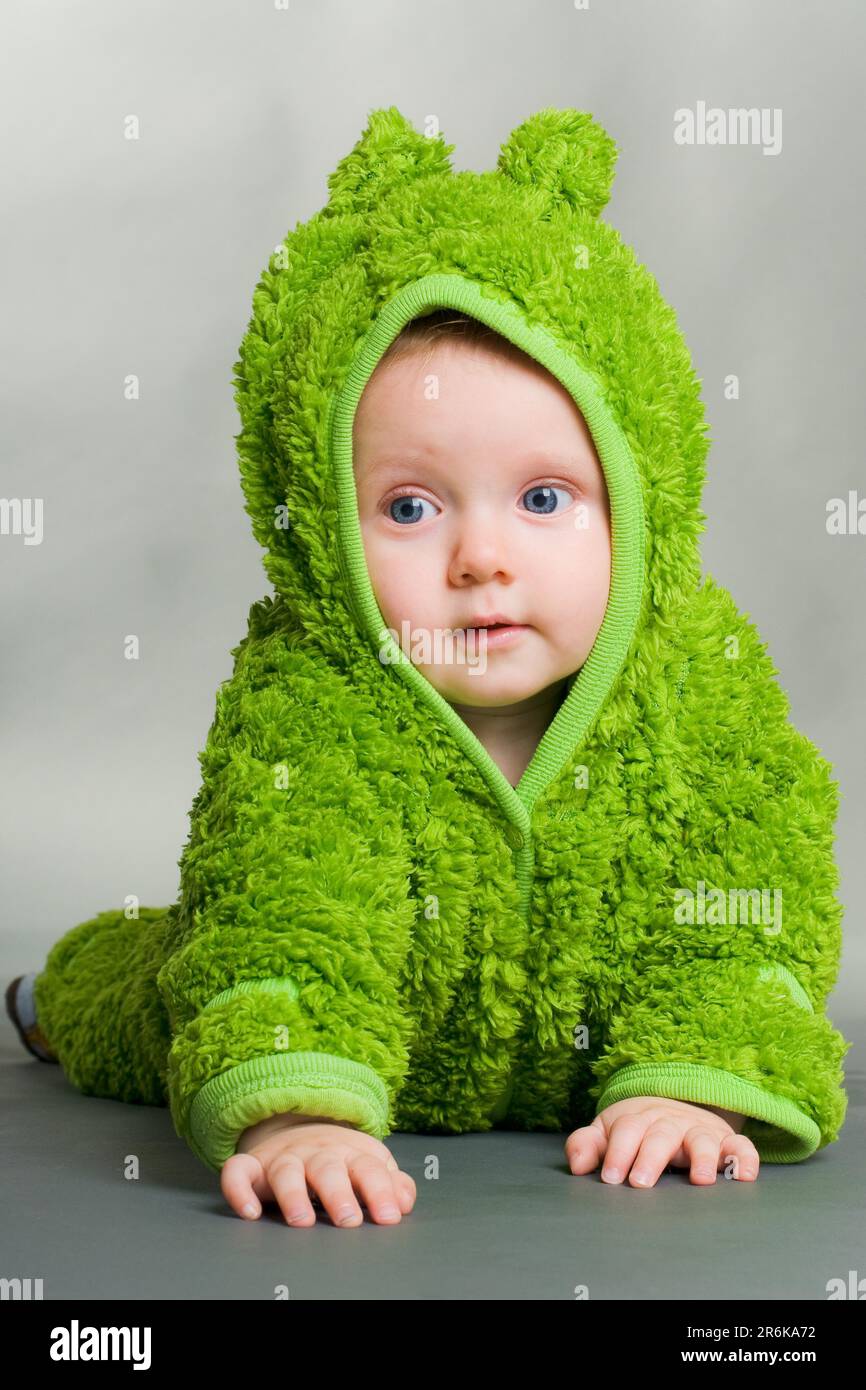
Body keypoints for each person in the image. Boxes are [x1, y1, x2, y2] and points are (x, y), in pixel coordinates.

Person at [6, 107, 850, 1229]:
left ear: (638, 502)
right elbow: (283, 913)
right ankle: (50, 994)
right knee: (161, 990)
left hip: (594, 1041)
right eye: (410, 506)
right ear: (328, 530)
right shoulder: (310, 702)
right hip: (353, 1020)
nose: (481, 560)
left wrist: (691, 1080)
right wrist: (294, 1112)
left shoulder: (703, 690)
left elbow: (749, 906)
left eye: (542, 498)